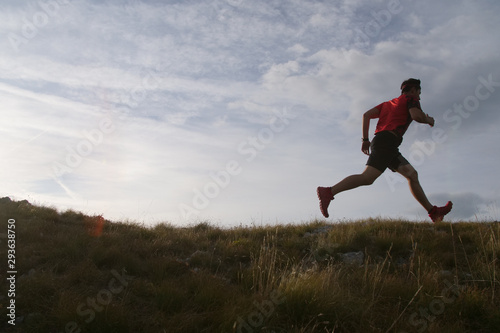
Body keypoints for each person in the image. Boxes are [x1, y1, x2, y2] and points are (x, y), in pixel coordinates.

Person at [317, 78, 452, 223]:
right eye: (419, 92)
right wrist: (428, 120)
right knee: (368, 178)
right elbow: (416, 116)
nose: (419, 96)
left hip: (386, 143)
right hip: (387, 142)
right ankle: (328, 192)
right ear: (413, 90)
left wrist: (365, 140)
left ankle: (433, 212)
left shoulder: (388, 104)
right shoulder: (411, 99)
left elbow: (366, 115)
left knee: (412, 174)